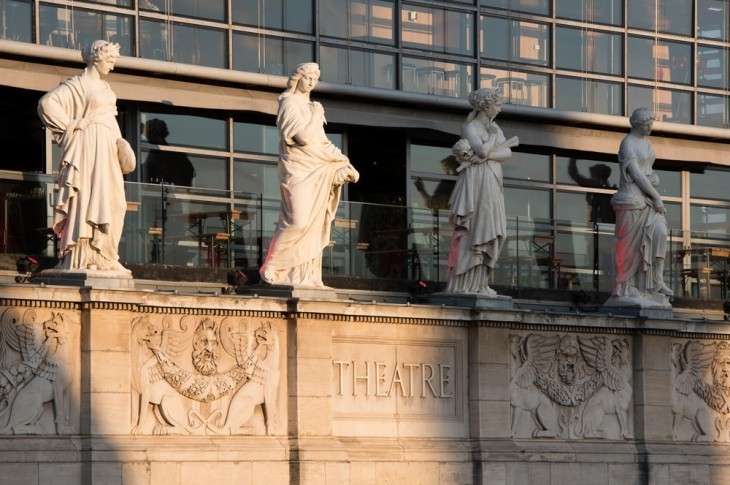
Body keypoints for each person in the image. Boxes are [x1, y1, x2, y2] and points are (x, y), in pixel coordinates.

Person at [259, 62, 359, 287]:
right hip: (297, 169)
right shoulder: (290, 103)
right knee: (298, 221)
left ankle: (306, 276)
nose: (312, 82)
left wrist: (344, 161)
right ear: (298, 79)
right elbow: (302, 137)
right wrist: (316, 115)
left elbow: (320, 142)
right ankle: (272, 265)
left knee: (313, 225)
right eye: (308, 78)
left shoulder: (311, 106)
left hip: (316, 168)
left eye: (315, 79)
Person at [38, 40, 133, 273]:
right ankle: (83, 257)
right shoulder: (77, 84)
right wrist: (72, 125)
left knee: (115, 202)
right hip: (88, 146)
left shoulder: (108, 89)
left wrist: (121, 145)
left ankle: (105, 255)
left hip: (108, 147)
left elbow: (110, 118)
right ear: (96, 58)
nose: (112, 66)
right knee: (87, 198)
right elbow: (46, 104)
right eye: (110, 61)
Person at [444, 87, 519, 295]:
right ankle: (466, 283)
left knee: (494, 230)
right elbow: (483, 150)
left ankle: (481, 283)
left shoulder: (494, 127)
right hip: (476, 182)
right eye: (498, 104)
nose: (500, 109)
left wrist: (489, 151)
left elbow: (507, 153)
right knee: (476, 228)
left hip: (492, 179)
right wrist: (492, 141)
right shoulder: (471, 128)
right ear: (486, 105)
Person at [610, 107, 673, 301]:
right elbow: (636, 174)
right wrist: (656, 197)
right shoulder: (627, 144)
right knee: (632, 248)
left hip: (647, 199)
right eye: (648, 124)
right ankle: (627, 286)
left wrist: (654, 178)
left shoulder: (647, 143)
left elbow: (646, 171)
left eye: (652, 123)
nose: (651, 127)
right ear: (638, 124)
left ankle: (656, 282)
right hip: (632, 200)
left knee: (660, 234)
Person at [567, 158, 616, 224]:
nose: (591, 177)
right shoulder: (611, 192)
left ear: (598, 176)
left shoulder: (597, 184)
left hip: (602, 225)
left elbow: (574, 174)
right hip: (606, 225)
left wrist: (573, 159)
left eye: (593, 175)